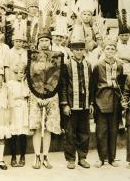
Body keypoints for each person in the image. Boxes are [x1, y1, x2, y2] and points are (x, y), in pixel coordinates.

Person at [27, 27, 65, 170]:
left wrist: (49, 95)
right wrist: (37, 95)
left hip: (52, 95)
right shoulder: (32, 55)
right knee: (37, 127)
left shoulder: (57, 56)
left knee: (48, 128)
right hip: (35, 95)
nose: (44, 43)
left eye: (46, 41)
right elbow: (29, 77)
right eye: (42, 40)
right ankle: (37, 156)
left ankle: (45, 156)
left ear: (50, 42)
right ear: (38, 42)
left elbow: (58, 77)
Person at [62, 31, 94, 169]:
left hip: (85, 104)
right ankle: (70, 159)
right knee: (70, 132)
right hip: (71, 103)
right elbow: (63, 86)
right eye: (76, 50)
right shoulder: (67, 65)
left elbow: (91, 85)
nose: (79, 52)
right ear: (72, 50)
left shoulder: (88, 65)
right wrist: (65, 104)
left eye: (81, 49)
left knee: (84, 132)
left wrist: (91, 102)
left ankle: (82, 157)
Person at [92, 38, 124, 167]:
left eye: (112, 48)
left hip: (115, 100)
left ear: (115, 50)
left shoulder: (120, 65)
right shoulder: (98, 65)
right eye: (107, 48)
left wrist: (122, 99)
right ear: (104, 50)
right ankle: (101, 158)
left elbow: (121, 83)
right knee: (101, 131)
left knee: (113, 130)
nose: (110, 51)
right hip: (101, 100)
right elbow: (93, 85)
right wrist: (93, 103)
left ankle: (112, 158)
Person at [7, 64, 30, 167]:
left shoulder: (25, 83)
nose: (22, 75)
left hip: (23, 108)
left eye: (23, 73)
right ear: (15, 73)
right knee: (13, 133)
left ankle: (22, 156)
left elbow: (26, 94)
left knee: (22, 134)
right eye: (20, 73)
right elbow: (10, 96)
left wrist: (23, 83)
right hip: (13, 108)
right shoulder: (10, 83)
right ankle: (13, 157)